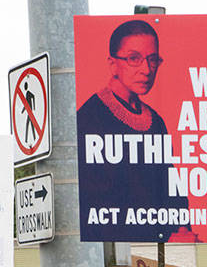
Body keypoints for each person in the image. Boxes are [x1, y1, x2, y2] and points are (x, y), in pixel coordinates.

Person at [76, 18, 190, 239]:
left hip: (159, 248)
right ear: (112, 63)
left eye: (153, 60)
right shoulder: (90, 118)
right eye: (134, 59)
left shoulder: (155, 120)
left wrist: (181, 231)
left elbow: (171, 187)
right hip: (111, 251)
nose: (146, 70)